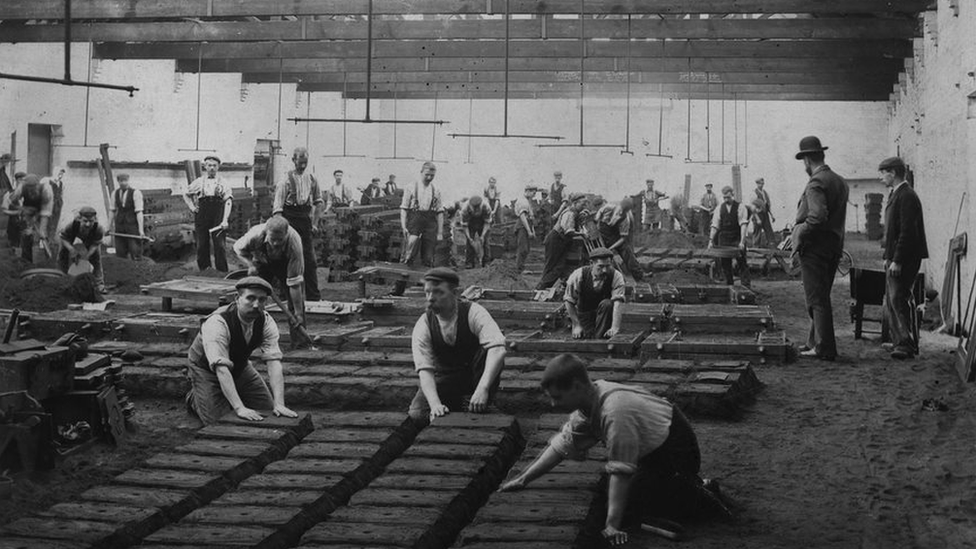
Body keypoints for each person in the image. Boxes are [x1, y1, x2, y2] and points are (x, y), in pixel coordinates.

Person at [499, 354, 729, 546]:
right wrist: (525, 479)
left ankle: (698, 494)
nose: (553, 404)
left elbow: (621, 471)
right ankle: (688, 485)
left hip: (676, 449)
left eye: (557, 397)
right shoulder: (589, 402)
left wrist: (611, 525)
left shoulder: (615, 412)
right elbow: (562, 445)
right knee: (613, 495)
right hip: (652, 449)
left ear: (576, 387)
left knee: (629, 507)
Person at [185, 276, 299, 426]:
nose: (256, 305)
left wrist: (279, 404)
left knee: (267, 410)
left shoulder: (266, 321)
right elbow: (221, 369)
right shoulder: (217, 322)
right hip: (205, 368)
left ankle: (231, 394)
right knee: (220, 423)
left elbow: (274, 363)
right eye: (250, 298)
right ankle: (195, 397)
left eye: (262, 300)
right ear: (237, 298)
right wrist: (240, 408)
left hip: (240, 365)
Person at [409, 268, 507, 419]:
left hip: (476, 376)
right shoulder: (424, 324)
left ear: (455, 293)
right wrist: (435, 405)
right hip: (446, 378)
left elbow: (498, 349)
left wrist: (483, 388)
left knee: (491, 349)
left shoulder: (474, 313)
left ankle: (483, 400)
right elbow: (425, 370)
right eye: (427, 292)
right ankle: (455, 403)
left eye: (438, 292)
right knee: (418, 413)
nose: (430, 298)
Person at [793, 136, 848, 361]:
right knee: (821, 296)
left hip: (815, 248)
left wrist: (799, 232)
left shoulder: (816, 183)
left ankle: (824, 348)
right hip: (833, 247)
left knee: (815, 299)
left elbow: (817, 216)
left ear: (807, 160)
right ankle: (813, 342)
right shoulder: (839, 181)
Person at [879, 156, 928, 360]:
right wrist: (887, 256)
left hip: (905, 258)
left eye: (883, 173)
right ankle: (901, 341)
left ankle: (905, 345)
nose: (881, 178)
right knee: (895, 299)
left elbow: (907, 232)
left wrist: (897, 260)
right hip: (897, 257)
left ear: (893, 173)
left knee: (899, 298)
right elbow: (892, 231)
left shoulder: (906, 196)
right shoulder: (897, 194)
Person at [233, 215, 307, 326]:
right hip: (261, 262)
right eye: (273, 239)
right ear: (267, 233)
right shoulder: (255, 234)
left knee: (295, 305)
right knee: (255, 297)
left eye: (280, 240)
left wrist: (298, 312)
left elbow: (295, 284)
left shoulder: (294, 244)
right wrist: (250, 264)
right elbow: (238, 249)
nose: (276, 243)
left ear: (286, 234)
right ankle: (254, 335)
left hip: (285, 264)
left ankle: (300, 342)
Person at [273, 147, 324, 302]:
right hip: (289, 220)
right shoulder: (285, 181)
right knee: (287, 259)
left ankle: (313, 297)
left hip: (305, 220)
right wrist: (282, 230)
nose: (302, 165)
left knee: (309, 260)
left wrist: (314, 223)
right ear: (294, 160)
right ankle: (285, 296)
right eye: (300, 162)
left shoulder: (312, 179)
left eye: (305, 162)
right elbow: (277, 210)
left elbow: (319, 202)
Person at [564, 248, 626, 339]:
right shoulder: (578, 275)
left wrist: (615, 327)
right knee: (584, 337)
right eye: (600, 266)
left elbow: (618, 303)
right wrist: (576, 325)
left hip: (605, 316)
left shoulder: (616, 276)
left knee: (607, 304)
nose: (604, 270)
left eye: (608, 266)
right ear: (591, 263)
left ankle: (599, 338)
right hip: (584, 315)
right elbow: (569, 301)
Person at [184, 155, 232, 272]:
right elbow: (185, 193)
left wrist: (225, 219)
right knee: (201, 244)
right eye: (209, 165)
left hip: (218, 215)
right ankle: (205, 270)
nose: (212, 168)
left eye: (214, 166)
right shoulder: (199, 182)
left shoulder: (224, 183)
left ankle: (222, 272)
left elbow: (228, 201)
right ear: (205, 167)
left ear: (218, 167)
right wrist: (192, 207)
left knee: (219, 245)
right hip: (202, 214)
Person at [537, 193, 586, 290]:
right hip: (556, 240)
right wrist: (582, 234)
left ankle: (544, 287)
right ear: (575, 203)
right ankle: (540, 288)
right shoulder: (569, 213)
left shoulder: (575, 213)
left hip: (561, 241)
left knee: (559, 266)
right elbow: (568, 231)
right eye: (582, 204)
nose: (584, 206)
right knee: (552, 265)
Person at [400, 161, 444, 268]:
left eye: (432, 176)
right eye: (427, 175)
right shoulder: (410, 187)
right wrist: (403, 226)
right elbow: (404, 208)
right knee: (410, 250)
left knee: (428, 254)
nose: (429, 178)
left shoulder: (436, 189)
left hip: (430, 221)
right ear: (421, 172)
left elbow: (440, 212)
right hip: (415, 219)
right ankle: (401, 279)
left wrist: (440, 232)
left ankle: (424, 281)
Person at [3, 173, 53, 262]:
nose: (31, 190)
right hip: (21, 217)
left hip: (36, 216)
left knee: (39, 237)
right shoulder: (16, 191)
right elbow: (6, 206)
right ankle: (23, 262)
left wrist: (41, 228)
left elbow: (45, 211)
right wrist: (18, 211)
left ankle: (45, 260)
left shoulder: (44, 191)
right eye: (20, 180)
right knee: (22, 239)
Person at [708, 186, 750, 287]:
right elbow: (715, 226)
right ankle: (729, 285)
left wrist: (742, 242)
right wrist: (710, 241)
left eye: (728, 197)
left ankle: (746, 286)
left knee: (742, 262)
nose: (726, 200)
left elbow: (743, 225)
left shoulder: (741, 207)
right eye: (724, 198)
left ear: (733, 194)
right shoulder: (719, 208)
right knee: (725, 264)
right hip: (724, 238)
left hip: (737, 237)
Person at [57, 206, 105, 293]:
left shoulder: (99, 229)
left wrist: (87, 255)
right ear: (80, 219)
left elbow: (95, 244)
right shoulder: (71, 225)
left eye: (91, 221)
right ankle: (61, 279)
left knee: (96, 258)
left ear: (95, 220)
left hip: (90, 239)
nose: (88, 224)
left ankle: (99, 284)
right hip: (69, 237)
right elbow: (63, 238)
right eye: (85, 221)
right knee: (62, 254)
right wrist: (71, 250)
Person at [597, 197, 644, 281]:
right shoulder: (607, 208)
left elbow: (623, 238)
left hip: (615, 235)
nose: (620, 213)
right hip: (602, 232)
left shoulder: (625, 220)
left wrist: (611, 248)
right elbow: (596, 219)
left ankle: (638, 275)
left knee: (626, 250)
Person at [109, 173, 145, 260]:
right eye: (121, 181)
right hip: (120, 226)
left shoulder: (136, 193)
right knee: (120, 252)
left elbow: (139, 212)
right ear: (118, 181)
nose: (123, 183)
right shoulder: (115, 193)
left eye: (125, 180)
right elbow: (112, 210)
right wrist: (108, 226)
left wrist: (141, 230)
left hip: (132, 226)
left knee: (135, 251)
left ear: (128, 181)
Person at [461, 195, 493, 268]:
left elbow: (487, 223)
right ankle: (469, 262)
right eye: (474, 208)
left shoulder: (486, 207)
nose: (476, 210)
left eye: (478, 208)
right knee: (469, 243)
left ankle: (487, 262)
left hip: (483, 223)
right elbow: (465, 226)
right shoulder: (465, 209)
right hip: (470, 223)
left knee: (486, 241)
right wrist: (469, 238)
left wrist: (482, 236)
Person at [514, 185, 537, 273]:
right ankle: (519, 269)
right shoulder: (522, 201)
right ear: (527, 191)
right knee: (522, 248)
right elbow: (523, 217)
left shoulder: (528, 202)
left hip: (527, 225)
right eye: (533, 193)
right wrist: (529, 231)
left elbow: (531, 218)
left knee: (526, 248)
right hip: (522, 226)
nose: (533, 195)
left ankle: (521, 267)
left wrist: (532, 231)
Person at [3, 171, 25, 248]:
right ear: (16, 181)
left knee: (25, 250)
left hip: (25, 227)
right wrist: (16, 212)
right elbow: (4, 210)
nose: (22, 182)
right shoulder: (9, 194)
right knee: (13, 249)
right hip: (13, 227)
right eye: (20, 180)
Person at [753, 178, 776, 246]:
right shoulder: (754, 193)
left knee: (768, 229)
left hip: (765, 213)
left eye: (762, 183)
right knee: (757, 231)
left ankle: (771, 245)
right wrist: (757, 218)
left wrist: (772, 215)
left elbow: (768, 205)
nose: (761, 185)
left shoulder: (765, 192)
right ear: (757, 184)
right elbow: (752, 207)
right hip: (757, 214)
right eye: (760, 183)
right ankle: (756, 247)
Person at [46, 166, 66, 244]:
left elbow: (62, 194)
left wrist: (61, 202)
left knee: (55, 222)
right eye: (59, 173)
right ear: (55, 173)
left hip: (58, 204)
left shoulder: (61, 183)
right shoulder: (49, 182)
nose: (60, 175)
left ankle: (51, 239)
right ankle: (45, 240)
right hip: (50, 204)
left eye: (62, 174)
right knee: (48, 222)